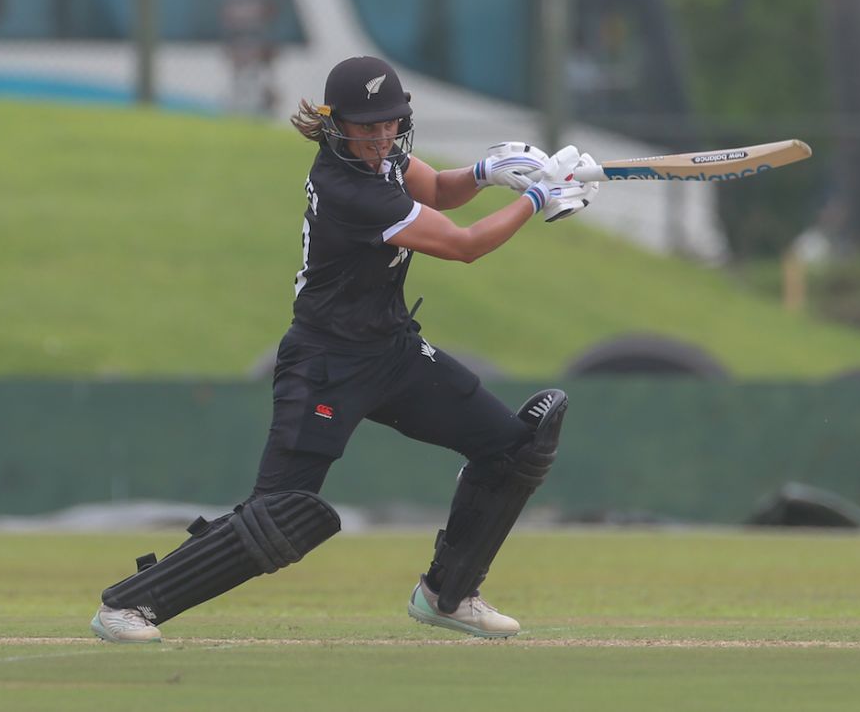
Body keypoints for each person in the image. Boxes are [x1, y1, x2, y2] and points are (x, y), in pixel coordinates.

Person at [90, 55, 599, 643]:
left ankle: (448, 594)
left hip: (393, 353)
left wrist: (487, 171)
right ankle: (128, 606)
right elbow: (462, 246)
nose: (381, 138)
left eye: (389, 124)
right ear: (336, 125)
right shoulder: (347, 187)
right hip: (325, 364)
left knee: (515, 448)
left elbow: (433, 189)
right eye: (366, 127)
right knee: (281, 512)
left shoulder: (382, 159)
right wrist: (538, 198)